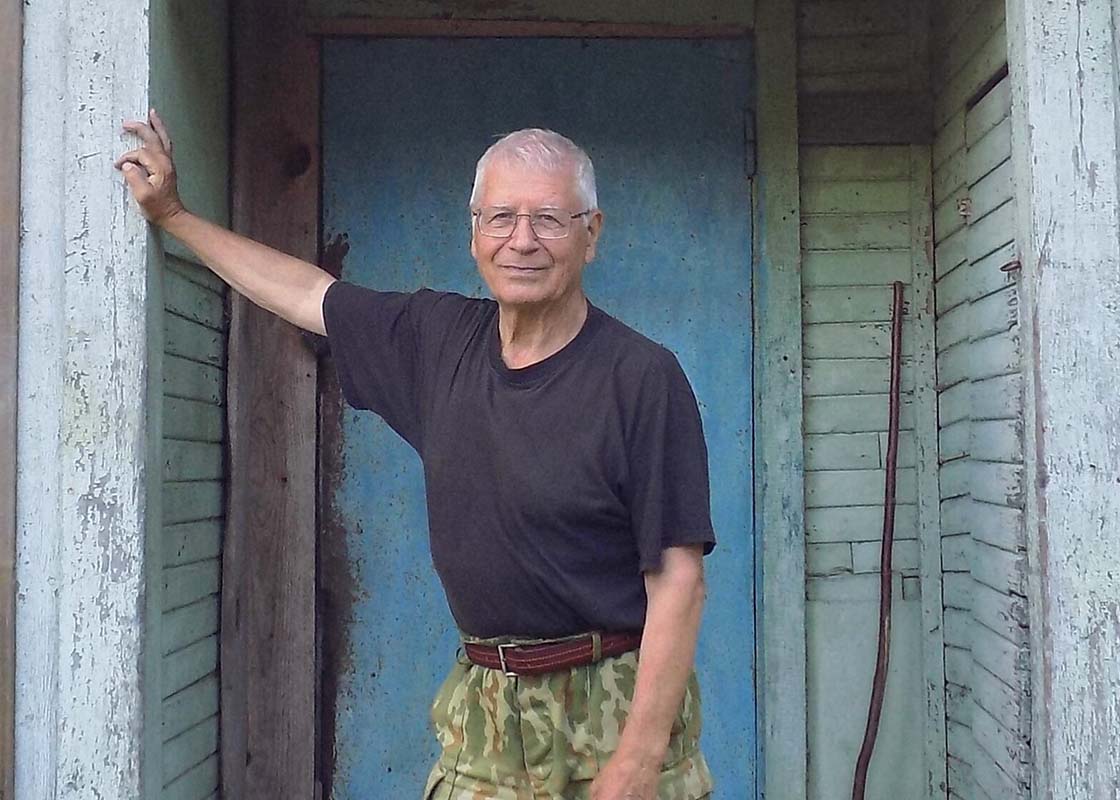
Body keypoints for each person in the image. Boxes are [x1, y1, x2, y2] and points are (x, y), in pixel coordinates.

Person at [117, 111, 716, 800]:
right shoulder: (436, 341)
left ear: (592, 233)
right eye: (501, 218)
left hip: (610, 705)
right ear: (474, 234)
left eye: (550, 219)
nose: (522, 240)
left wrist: (638, 761)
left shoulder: (641, 378)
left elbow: (679, 581)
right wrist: (175, 217)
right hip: (485, 710)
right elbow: (307, 294)